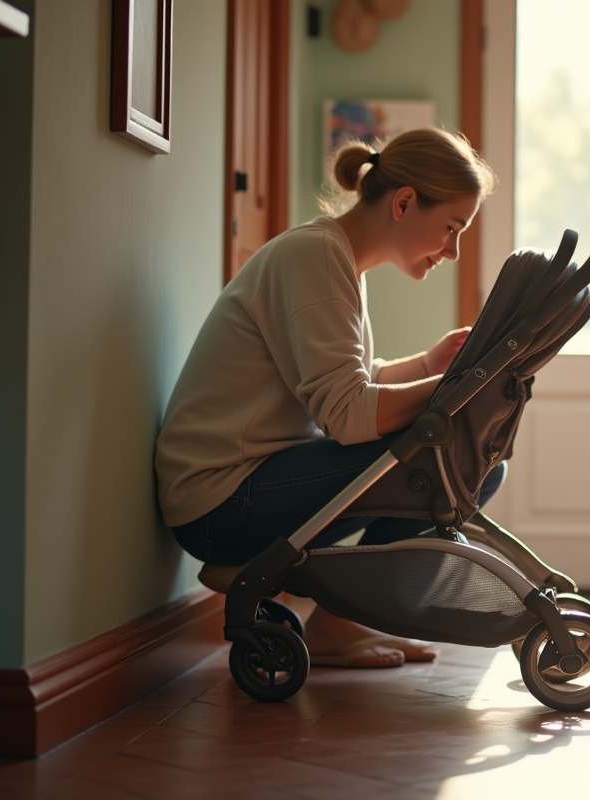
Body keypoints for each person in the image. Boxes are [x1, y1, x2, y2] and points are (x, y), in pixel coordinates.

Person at [155, 127, 499, 668]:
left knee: (464, 457)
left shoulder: (331, 256)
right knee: (450, 454)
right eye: (451, 228)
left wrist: (428, 367)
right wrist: (463, 383)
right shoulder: (314, 256)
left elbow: (347, 382)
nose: (453, 252)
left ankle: (344, 620)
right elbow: (348, 415)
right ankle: (339, 623)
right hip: (221, 503)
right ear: (405, 202)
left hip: (244, 486)